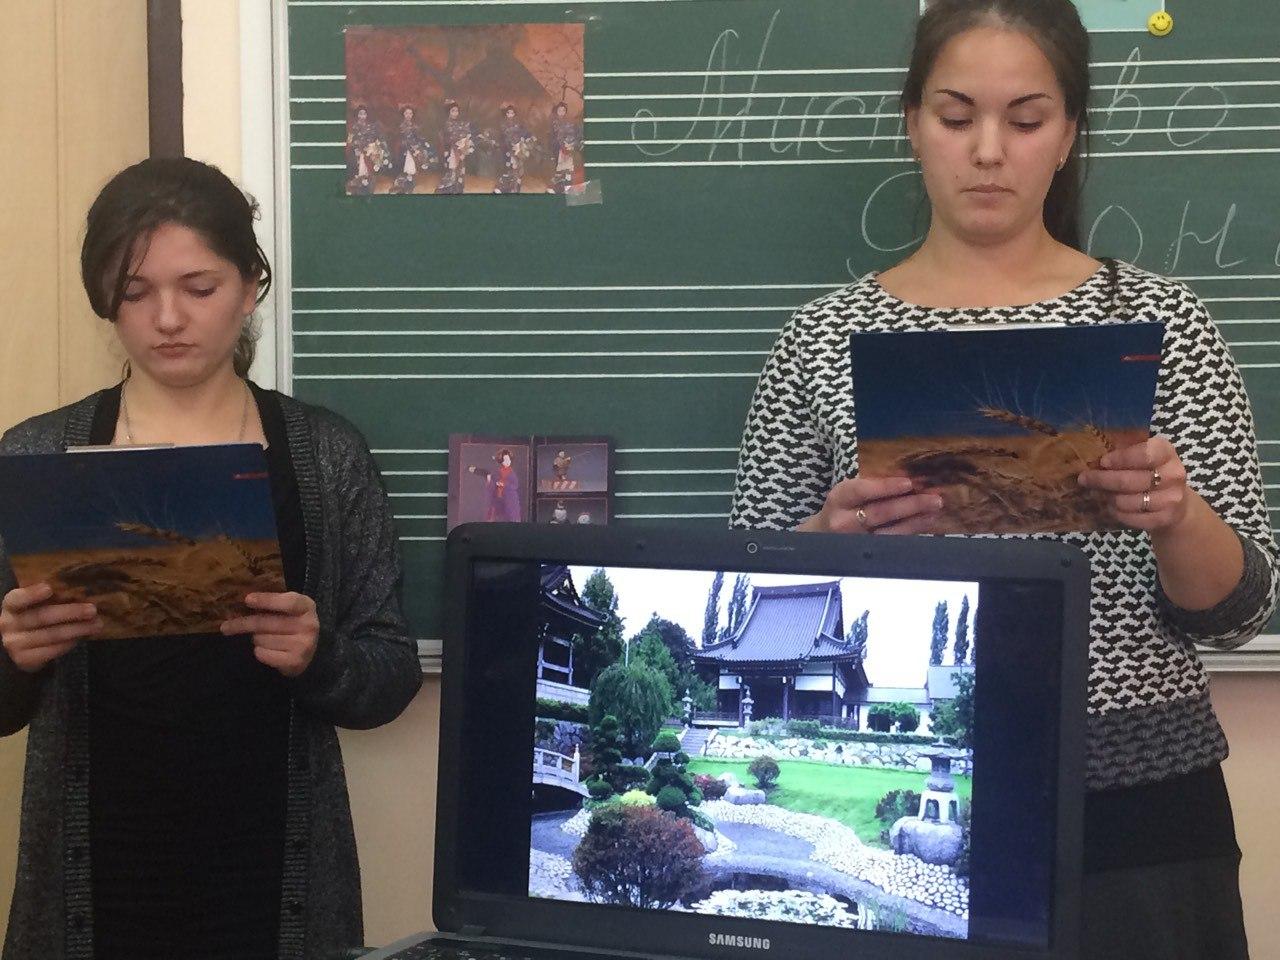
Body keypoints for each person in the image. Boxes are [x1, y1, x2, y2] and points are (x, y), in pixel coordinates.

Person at [729, 1, 1278, 957]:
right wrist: (823, 541)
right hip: (921, 799)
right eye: (956, 116)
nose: (989, 151)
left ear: (1067, 135)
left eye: (1026, 120)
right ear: (912, 122)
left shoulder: (1166, 325)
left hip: (1139, 805)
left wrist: (1176, 515)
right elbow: (738, 574)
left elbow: (1238, 614)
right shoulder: (818, 342)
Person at [0, 157, 424, 960]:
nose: (168, 318)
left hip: (271, 877)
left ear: (250, 284)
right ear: (104, 299)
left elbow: (390, 672)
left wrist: (319, 655)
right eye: (135, 293)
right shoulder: (36, 456)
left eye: (199, 288)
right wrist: (14, 656)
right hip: (98, 881)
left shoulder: (326, 456)